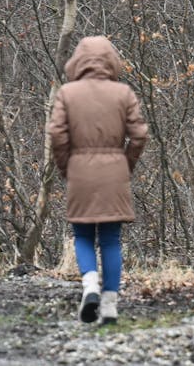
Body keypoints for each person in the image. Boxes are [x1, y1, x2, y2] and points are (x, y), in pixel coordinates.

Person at [47, 35, 149, 325]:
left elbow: (56, 135)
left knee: (82, 235)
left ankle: (89, 285)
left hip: (80, 170)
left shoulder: (67, 93)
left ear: (77, 61)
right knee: (111, 240)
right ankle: (110, 306)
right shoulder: (123, 93)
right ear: (110, 61)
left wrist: (67, 166)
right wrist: (124, 164)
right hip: (115, 171)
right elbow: (140, 135)